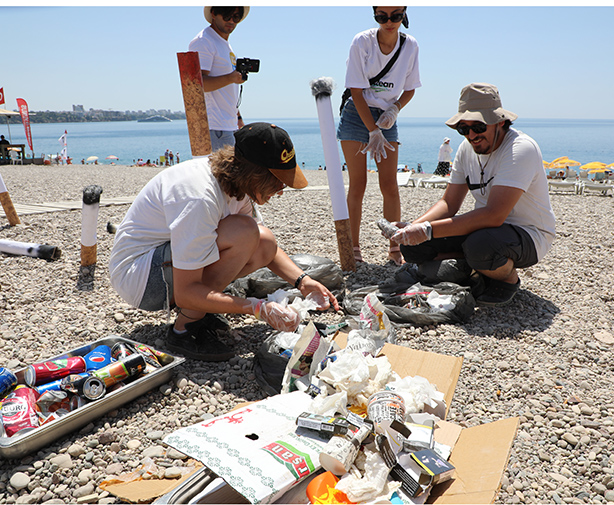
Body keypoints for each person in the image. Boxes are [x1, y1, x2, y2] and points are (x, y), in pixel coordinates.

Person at [109, 123, 340, 361]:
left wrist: (303, 281)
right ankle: (184, 329)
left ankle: (201, 309)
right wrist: (256, 307)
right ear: (255, 173)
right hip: (140, 278)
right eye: (278, 181)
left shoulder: (236, 182)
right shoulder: (200, 196)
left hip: (162, 263)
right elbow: (186, 291)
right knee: (245, 231)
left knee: (263, 240)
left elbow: (266, 249)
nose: (281, 190)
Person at [386, 83, 556, 307]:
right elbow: (449, 202)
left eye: (478, 126)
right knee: (413, 246)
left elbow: (494, 215)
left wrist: (427, 230)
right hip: (483, 229)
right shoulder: (466, 150)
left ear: (500, 122)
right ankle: (473, 266)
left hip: (528, 234)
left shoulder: (520, 148)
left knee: (481, 246)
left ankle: (507, 279)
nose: (472, 135)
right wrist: (411, 229)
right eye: (464, 129)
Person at [337, 6, 421, 266]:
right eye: (381, 16)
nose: (389, 22)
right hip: (356, 112)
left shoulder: (410, 46)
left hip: (386, 115)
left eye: (395, 15)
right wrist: (371, 129)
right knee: (358, 184)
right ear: (374, 16)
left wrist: (394, 110)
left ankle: (395, 248)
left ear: (404, 14)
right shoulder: (362, 41)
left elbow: (410, 89)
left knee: (390, 186)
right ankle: (353, 247)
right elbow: (356, 90)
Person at [189, 6, 249, 152]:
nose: (232, 21)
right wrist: (231, 78)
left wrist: (238, 119)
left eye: (236, 17)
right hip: (214, 128)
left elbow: (227, 90)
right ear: (214, 13)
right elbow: (196, 85)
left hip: (226, 126)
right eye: (227, 15)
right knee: (221, 174)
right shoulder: (204, 41)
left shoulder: (223, 44)